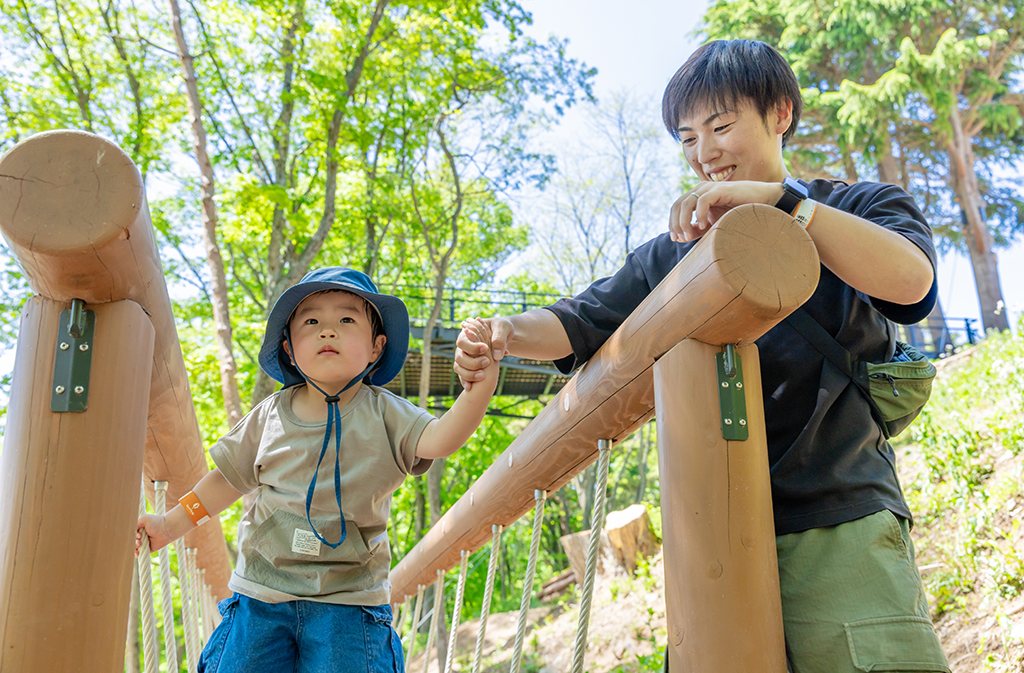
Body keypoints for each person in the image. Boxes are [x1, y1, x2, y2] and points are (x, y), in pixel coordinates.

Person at [454, 40, 950, 673]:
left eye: (720, 126)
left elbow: (911, 284)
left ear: (780, 113)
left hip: (838, 515)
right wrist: (502, 332)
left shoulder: (857, 206)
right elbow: (580, 320)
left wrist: (785, 207)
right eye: (687, 138)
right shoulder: (673, 252)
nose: (704, 152)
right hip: (711, 539)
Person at [137, 267, 499, 673]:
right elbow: (225, 481)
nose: (328, 331)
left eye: (346, 319)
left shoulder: (386, 413)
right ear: (290, 349)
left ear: (376, 347)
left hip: (349, 601)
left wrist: (478, 388)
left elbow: (441, 438)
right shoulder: (270, 414)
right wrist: (169, 526)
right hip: (262, 593)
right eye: (311, 321)